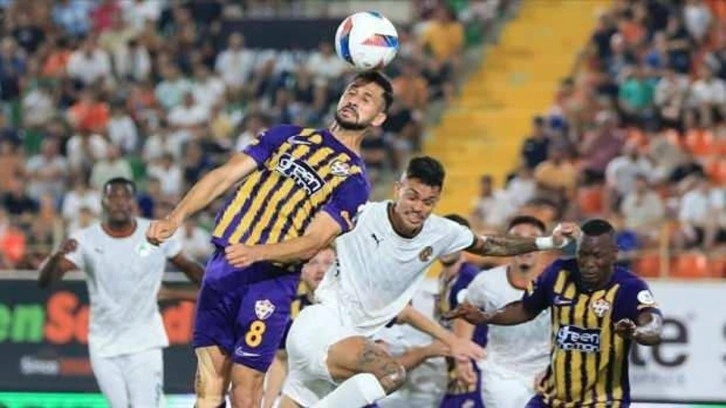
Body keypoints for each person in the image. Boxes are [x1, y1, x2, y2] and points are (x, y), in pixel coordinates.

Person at [145, 71, 394, 408]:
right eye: (352, 91)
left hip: (271, 279)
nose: (353, 100)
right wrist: (175, 217)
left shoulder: (354, 180)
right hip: (224, 265)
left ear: (378, 118)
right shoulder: (288, 135)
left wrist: (257, 252)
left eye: (366, 99)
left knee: (245, 390)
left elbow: (314, 240)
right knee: (208, 381)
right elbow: (224, 175)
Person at [279, 156, 578, 408]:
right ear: (397, 189)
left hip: (346, 342)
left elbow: (490, 245)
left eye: (428, 201)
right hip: (323, 326)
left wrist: (547, 242)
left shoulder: (441, 232)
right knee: (390, 374)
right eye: (412, 197)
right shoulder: (361, 216)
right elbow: (307, 228)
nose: (418, 208)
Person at [446, 219, 663, 408]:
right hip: (551, 398)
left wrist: (637, 332)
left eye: (597, 256)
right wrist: (486, 317)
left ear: (614, 253)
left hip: (602, 401)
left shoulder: (629, 287)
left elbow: (653, 323)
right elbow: (525, 308)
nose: (589, 264)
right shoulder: (559, 272)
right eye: (583, 255)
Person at [38, 178, 204, 408]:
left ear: (133, 202)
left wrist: (205, 290)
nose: (119, 202)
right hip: (103, 345)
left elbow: (191, 269)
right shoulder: (85, 239)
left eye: (125, 196)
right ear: (103, 202)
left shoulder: (155, 232)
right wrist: (56, 256)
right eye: (113, 197)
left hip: (145, 343)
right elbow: (45, 281)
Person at [456, 215, 551, 408]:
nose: (525, 245)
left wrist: (555, 370)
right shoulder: (486, 281)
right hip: (501, 373)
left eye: (533, 238)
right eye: (517, 238)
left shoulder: (557, 282)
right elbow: (464, 313)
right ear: (506, 245)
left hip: (547, 373)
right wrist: (462, 356)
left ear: (544, 245)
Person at [435, 214, 488, 408]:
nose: (447, 246)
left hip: (471, 371)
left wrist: (463, 361)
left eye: (454, 240)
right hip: (454, 371)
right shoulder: (444, 278)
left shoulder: (470, 279)